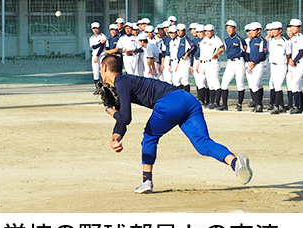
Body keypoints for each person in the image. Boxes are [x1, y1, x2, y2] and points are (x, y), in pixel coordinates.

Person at [100, 54, 253, 193]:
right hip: (188, 100)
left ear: (105, 68)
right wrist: (116, 136)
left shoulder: (122, 81)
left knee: (150, 135)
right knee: (202, 143)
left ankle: (146, 181)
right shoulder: (124, 82)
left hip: (169, 102)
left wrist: (108, 110)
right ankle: (235, 163)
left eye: (101, 69)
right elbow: (122, 118)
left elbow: (125, 118)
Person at [218, 20, 247, 111]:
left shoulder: (240, 39)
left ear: (235, 28)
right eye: (227, 28)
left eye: (230, 28)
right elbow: (224, 48)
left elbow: (245, 51)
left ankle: (239, 105)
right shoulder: (226, 39)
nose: (229, 30)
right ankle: (224, 105)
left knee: (240, 84)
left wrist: (247, 63)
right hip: (230, 62)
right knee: (224, 83)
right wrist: (215, 54)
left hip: (239, 62)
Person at [195, 24, 225, 109]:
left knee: (215, 82)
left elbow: (222, 48)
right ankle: (211, 102)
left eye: (210, 31)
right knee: (210, 83)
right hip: (204, 63)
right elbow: (202, 54)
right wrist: (199, 64)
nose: (208, 33)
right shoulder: (203, 41)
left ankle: (217, 102)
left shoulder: (216, 39)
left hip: (213, 62)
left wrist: (215, 54)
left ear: (213, 31)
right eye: (206, 31)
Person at [267, 21, 291, 114]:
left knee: (278, 85)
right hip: (273, 65)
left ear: (280, 30)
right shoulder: (271, 41)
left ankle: (276, 106)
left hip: (281, 65)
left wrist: (287, 64)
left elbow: (288, 54)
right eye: (272, 29)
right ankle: (280, 105)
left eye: (275, 29)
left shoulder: (285, 41)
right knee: (273, 84)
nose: (272, 31)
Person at [246, 22, 268, 112]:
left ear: (259, 31)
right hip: (250, 64)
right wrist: (248, 62)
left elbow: (262, 54)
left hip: (258, 64)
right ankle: (256, 103)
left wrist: (253, 63)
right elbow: (247, 52)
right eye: (250, 30)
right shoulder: (251, 40)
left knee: (256, 84)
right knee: (252, 85)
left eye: (253, 30)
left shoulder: (262, 40)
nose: (251, 32)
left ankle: (259, 105)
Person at [287, 18, 303, 114]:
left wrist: (294, 60)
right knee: (297, 86)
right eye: (292, 26)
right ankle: (301, 106)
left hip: (299, 64)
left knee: (294, 84)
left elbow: (301, 51)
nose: (293, 28)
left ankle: (297, 106)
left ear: (299, 28)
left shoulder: (300, 37)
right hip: (293, 64)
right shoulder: (292, 38)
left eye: (295, 27)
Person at [89, 22, 107, 94]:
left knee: (103, 72)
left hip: (102, 56)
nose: (95, 30)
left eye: (96, 28)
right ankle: (98, 88)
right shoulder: (91, 38)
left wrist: (97, 55)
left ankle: (105, 88)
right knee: (95, 72)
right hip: (95, 56)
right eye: (94, 28)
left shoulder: (103, 36)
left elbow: (102, 47)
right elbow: (94, 47)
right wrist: (100, 43)